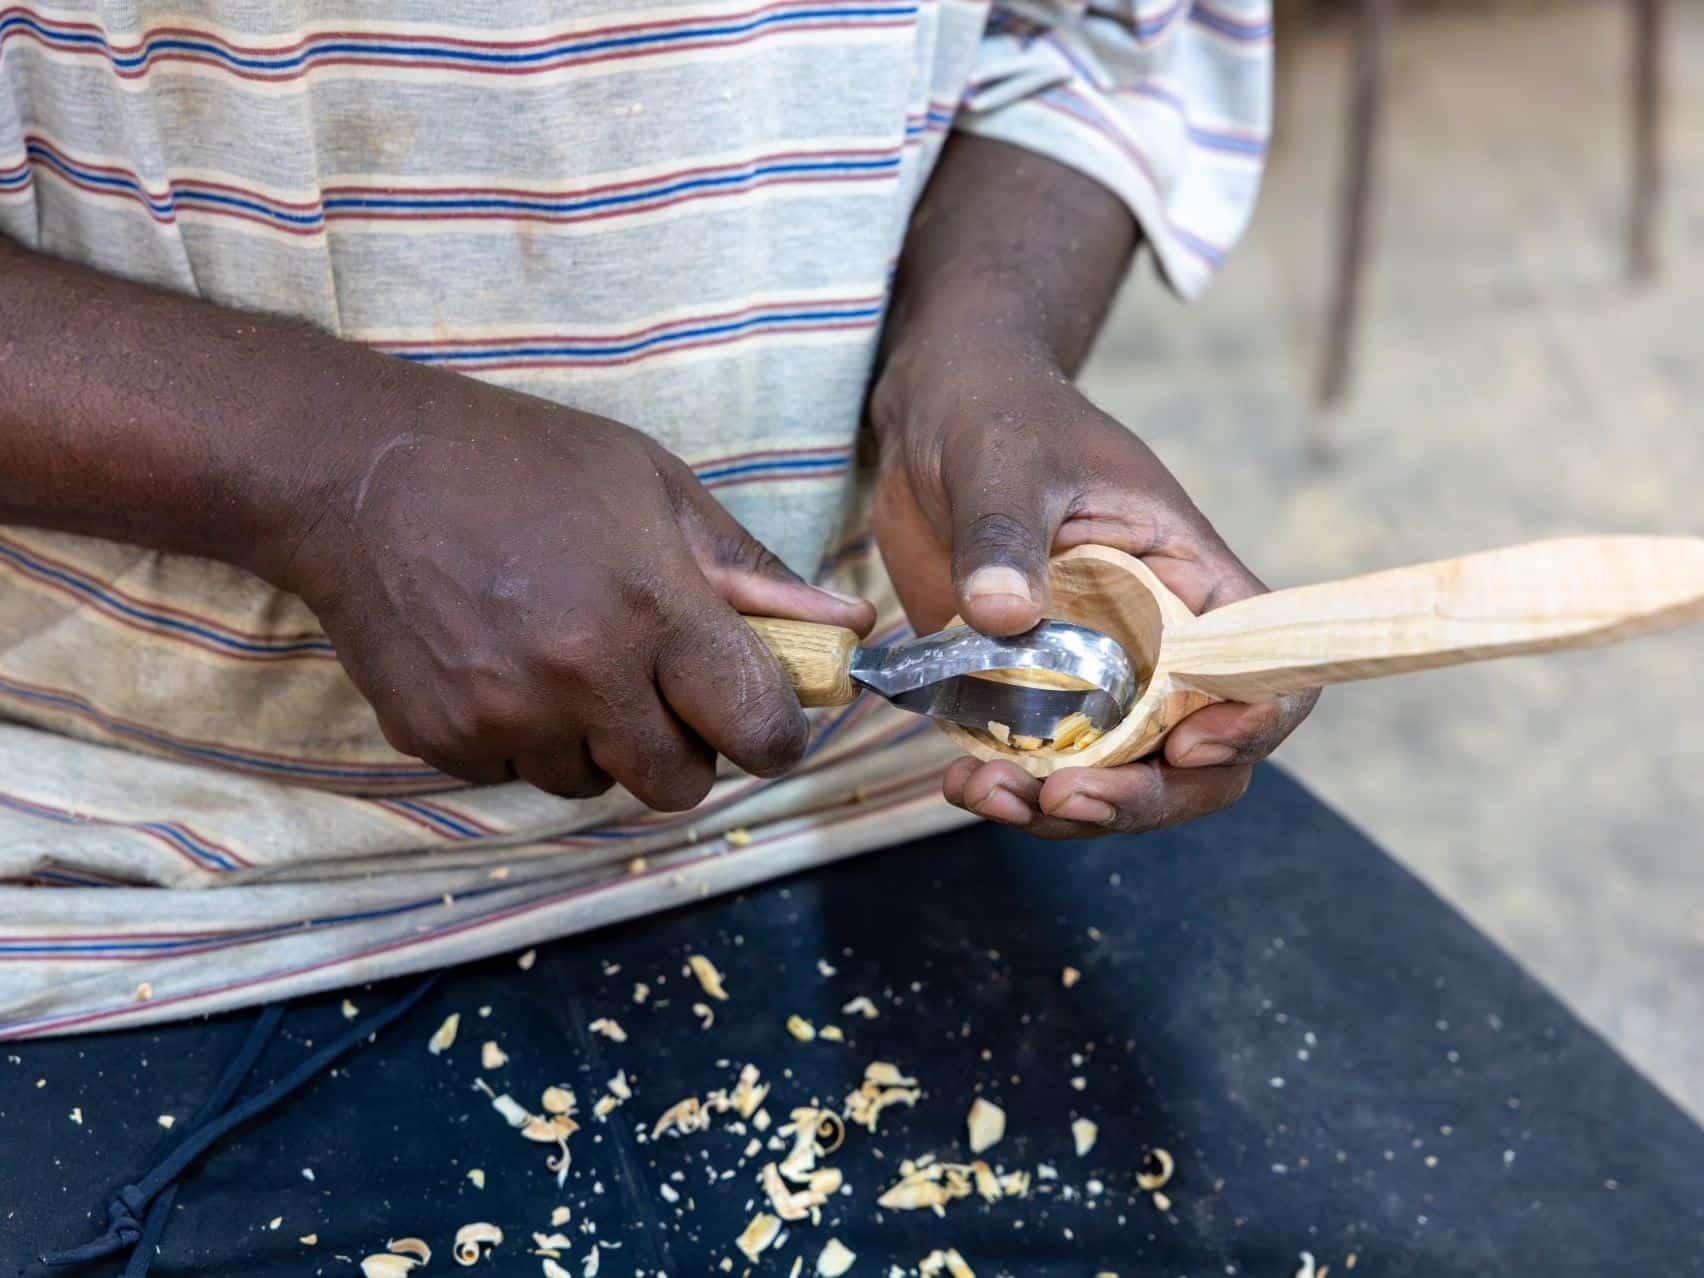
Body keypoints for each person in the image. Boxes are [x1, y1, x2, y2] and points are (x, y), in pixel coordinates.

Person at [0, 0, 1309, 1031]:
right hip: (161, 880)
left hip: (891, 787)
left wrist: (979, 342)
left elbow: (1084, 30)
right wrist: (334, 467)